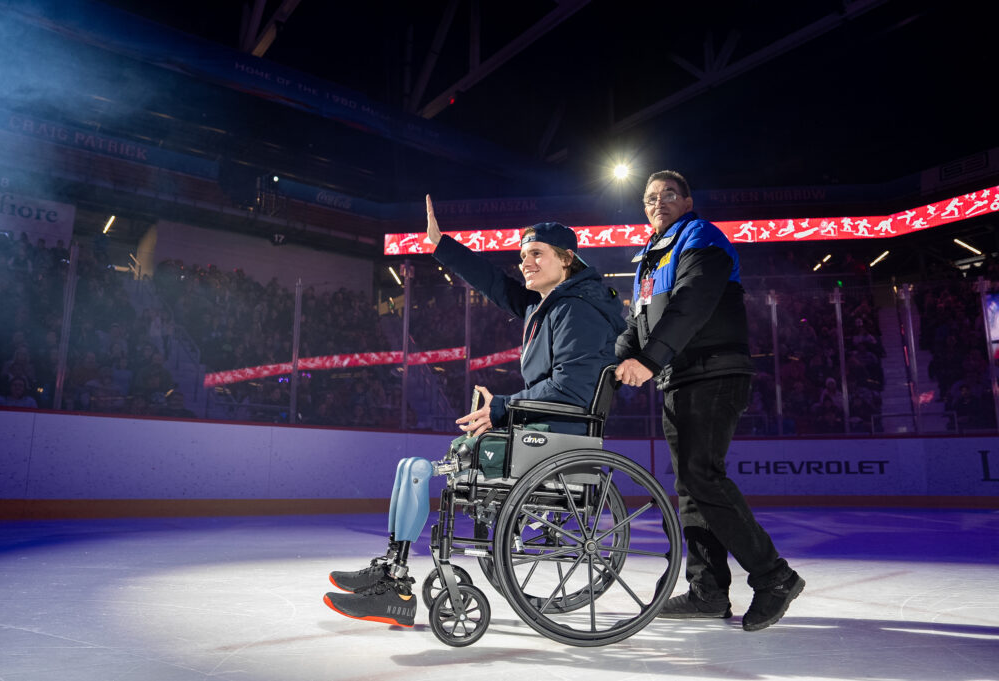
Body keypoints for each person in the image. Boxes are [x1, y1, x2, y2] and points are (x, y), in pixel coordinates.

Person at [323, 194, 625, 627]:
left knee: (417, 470)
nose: (526, 263)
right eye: (523, 256)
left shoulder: (576, 310)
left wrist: (503, 408)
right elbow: (497, 285)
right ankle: (392, 569)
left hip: (551, 437)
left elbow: (572, 391)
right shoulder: (551, 305)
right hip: (535, 428)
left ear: (567, 260)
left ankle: (396, 583)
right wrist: (441, 243)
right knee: (412, 465)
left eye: (537, 254)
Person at [614, 170, 803, 632]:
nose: (659, 202)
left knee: (702, 476)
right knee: (689, 486)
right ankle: (708, 592)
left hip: (716, 369)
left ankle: (774, 577)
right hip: (680, 376)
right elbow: (638, 325)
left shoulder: (702, 237)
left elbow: (692, 303)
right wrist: (610, 366)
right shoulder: (649, 258)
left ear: (687, 200)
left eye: (669, 194)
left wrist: (652, 361)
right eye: (651, 197)